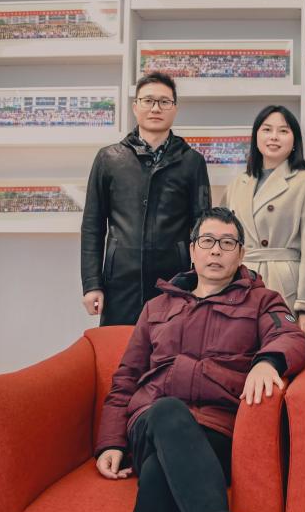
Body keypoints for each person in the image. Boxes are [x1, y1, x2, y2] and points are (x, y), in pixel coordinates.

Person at [95, 207, 305, 512]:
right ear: (193, 250)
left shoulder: (262, 300)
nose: (216, 251)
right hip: (151, 421)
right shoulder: (156, 307)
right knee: (167, 410)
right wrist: (110, 442)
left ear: (241, 254)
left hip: (216, 429)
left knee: (158, 475)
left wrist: (267, 361)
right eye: (207, 241)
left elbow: (292, 338)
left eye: (227, 243)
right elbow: (126, 378)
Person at [80, 72, 211, 326]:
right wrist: (92, 284)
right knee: (119, 346)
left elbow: (202, 227)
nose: (155, 108)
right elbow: (92, 226)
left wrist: (202, 282)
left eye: (164, 102)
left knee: (171, 347)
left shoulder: (192, 161)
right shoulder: (109, 159)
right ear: (135, 106)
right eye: (148, 100)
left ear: (175, 108)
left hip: (175, 282)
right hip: (120, 282)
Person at [222, 105, 305, 333]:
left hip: (285, 284)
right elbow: (223, 240)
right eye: (267, 129)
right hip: (239, 284)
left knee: (283, 348)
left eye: (283, 131)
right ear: (256, 137)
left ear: (294, 140)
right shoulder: (238, 183)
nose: (274, 137)